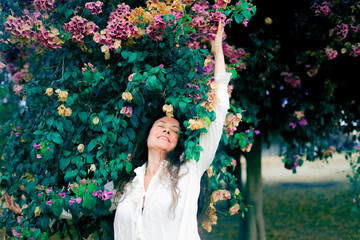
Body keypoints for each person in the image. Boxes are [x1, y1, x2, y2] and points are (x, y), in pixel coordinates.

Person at [5, 20, 231, 240]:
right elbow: (82, 204)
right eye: (161, 125)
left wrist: (218, 52)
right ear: (148, 135)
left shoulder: (189, 170)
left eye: (174, 130)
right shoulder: (127, 181)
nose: (167, 130)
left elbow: (219, 109)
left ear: (178, 142)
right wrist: (30, 205)